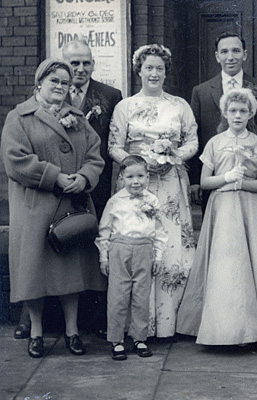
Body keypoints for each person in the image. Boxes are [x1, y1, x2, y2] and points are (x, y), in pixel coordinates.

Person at [177, 89, 257, 345]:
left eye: (243, 111)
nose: (237, 115)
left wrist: (242, 183)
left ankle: (253, 329)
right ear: (225, 112)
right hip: (222, 209)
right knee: (227, 266)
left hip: (250, 210)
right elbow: (204, 181)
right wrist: (226, 178)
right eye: (232, 111)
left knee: (254, 264)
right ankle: (224, 328)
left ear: (251, 114)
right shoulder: (215, 143)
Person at [1, 58, 105, 358]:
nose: (60, 87)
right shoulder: (20, 117)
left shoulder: (77, 117)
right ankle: (36, 332)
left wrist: (84, 177)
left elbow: (94, 156)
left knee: (70, 272)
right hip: (35, 207)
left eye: (65, 83)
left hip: (70, 206)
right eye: (54, 81)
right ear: (39, 84)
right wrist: (54, 176)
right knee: (34, 273)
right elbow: (15, 160)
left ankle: (72, 331)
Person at [108, 44, 199, 338]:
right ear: (139, 71)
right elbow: (114, 147)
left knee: (171, 248)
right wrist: (139, 165)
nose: (154, 73)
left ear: (165, 71)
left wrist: (173, 156)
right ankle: (138, 326)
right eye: (149, 67)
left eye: (159, 68)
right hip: (136, 185)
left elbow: (192, 142)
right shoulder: (125, 107)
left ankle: (171, 323)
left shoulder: (179, 105)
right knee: (138, 244)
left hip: (171, 184)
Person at [62, 38, 123, 339]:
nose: (81, 69)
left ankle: (96, 316)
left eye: (86, 62)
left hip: (96, 187)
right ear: (64, 63)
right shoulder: (54, 93)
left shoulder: (110, 95)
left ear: (93, 64)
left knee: (96, 248)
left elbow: (112, 144)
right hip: (60, 187)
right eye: (75, 63)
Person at [188, 31, 257, 212]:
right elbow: (194, 136)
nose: (231, 57)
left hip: (250, 181)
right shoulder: (201, 91)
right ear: (217, 56)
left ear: (245, 54)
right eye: (224, 52)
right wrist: (195, 180)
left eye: (236, 51)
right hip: (214, 178)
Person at [95, 155, 168, 360]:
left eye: (140, 176)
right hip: (120, 249)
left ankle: (139, 338)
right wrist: (104, 257)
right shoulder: (115, 201)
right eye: (130, 177)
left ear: (147, 177)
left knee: (141, 296)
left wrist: (158, 256)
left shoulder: (152, 200)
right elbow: (105, 230)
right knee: (118, 296)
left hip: (144, 249)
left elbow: (160, 231)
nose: (135, 181)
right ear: (121, 178)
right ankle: (117, 340)